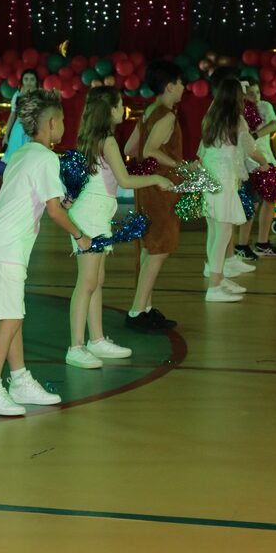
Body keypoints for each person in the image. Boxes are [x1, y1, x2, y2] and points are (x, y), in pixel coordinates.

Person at [0, 89, 92, 415]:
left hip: (3, 242)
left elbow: (47, 201)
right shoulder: (45, 157)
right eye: (62, 119)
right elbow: (54, 212)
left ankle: (20, 380)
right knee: (11, 317)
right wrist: (80, 235)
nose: (65, 125)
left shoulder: (24, 153)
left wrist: (63, 201)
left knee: (13, 314)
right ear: (51, 123)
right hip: (7, 245)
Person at [66, 85, 174, 368]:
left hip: (96, 213)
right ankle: (76, 346)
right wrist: (156, 179)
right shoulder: (108, 141)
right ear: (109, 110)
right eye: (119, 105)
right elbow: (125, 181)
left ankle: (97, 339)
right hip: (91, 215)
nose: (123, 109)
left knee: (96, 280)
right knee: (87, 282)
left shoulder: (93, 138)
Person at [124, 61, 185, 333]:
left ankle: (144, 307)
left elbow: (130, 148)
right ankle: (138, 311)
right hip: (161, 189)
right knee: (160, 248)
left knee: (151, 248)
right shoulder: (167, 116)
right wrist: (180, 165)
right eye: (181, 83)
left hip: (147, 188)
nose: (184, 88)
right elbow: (150, 150)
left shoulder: (149, 112)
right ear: (170, 86)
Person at [199, 79, 269, 302]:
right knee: (223, 233)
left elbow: (202, 151)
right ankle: (214, 288)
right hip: (223, 181)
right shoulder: (236, 120)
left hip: (210, 179)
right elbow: (250, 148)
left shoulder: (210, 118)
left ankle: (217, 277)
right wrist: (264, 162)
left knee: (214, 231)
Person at [235, 80, 276, 258]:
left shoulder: (265, 106)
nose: (255, 96)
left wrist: (255, 135)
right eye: (250, 93)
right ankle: (242, 245)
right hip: (249, 163)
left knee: (270, 200)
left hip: (266, 160)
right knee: (252, 203)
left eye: (257, 92)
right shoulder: (238, 111)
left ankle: (262, 243)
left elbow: (273, 124)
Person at [1, 68, 39, 164]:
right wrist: (6, 135)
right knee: (16, 161)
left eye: (32, 79)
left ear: (36, 81)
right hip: (18, 130)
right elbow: (12, 115)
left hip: (35, 129)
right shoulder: (17, 96)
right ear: (22, 81)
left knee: (32, 161)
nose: (29, 82)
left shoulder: (41, 96)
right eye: (26, 79)